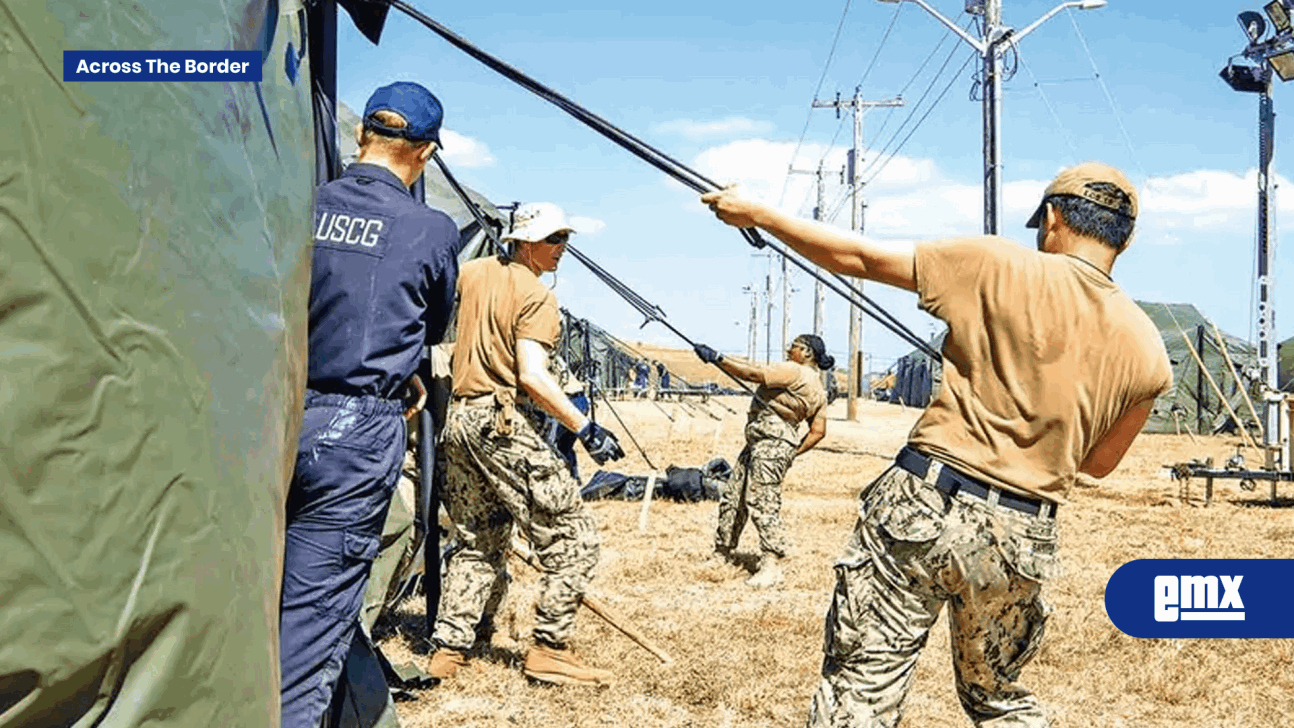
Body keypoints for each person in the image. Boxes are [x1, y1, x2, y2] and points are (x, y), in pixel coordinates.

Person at [701, 161, 1173, 727]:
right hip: (1021, 533)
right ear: (1128, 237)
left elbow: (862, 259)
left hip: (924, 500)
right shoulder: (1150, 349)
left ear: (1051, 219)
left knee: (861, 690)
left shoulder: (997, 264)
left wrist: (759, 215)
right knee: (996, 697)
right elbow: (1098, 464)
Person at [280, 82, 459, 728]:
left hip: (274, 415)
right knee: (308, 643)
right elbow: (430, 322)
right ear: (426, 155)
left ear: (361, 137)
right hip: (358, 432)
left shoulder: (301, 206)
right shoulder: (433, 229)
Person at [428, 201, 625, 687]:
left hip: (458, 423)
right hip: (502, 423)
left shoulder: (471, 272)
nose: (563, 249)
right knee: (575, 538)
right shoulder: (537, 296)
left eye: (565, 239)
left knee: (477, 540)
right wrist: (586, 428)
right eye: (554, 240)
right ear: (525, 242)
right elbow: (532, 376)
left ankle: (450, 649)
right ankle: (549, 649)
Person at [692, 335, 832, 588]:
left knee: (762, 500)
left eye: (795, 346)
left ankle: (771, 563)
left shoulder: (795, 371)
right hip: (765, 442)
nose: (789, 349)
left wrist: (717, 358)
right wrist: (792, 452)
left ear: (807, 353)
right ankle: (722, 553)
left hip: (769, 442)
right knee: (734, 496)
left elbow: (753, 373)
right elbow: (818, 432)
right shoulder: (819, 388)